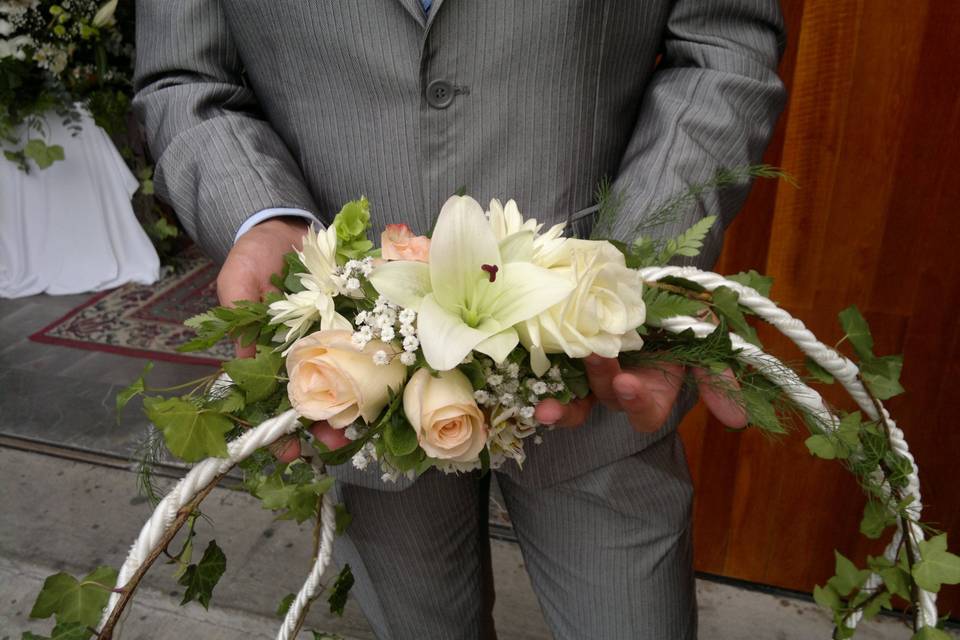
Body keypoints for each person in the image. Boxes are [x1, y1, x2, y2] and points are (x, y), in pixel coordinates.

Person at [133, 1, 786, 638]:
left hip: (596, 364)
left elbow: (721, 44)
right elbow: (186, 80)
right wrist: (263, 217)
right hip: (360, 364)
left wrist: (627, 270)